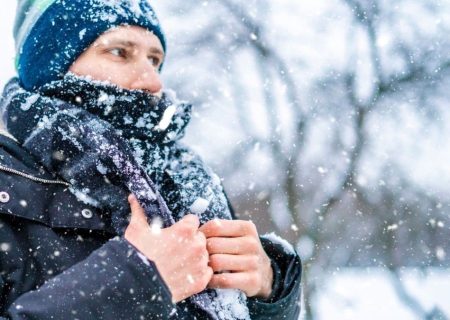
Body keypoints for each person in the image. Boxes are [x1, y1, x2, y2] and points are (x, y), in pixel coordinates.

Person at [0, 0, 301, 319]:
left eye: (155, 60)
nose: (153, 82)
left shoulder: (183, 176)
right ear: (51, 63)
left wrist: (269, 287)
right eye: (119, 52)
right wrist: (137, 282)